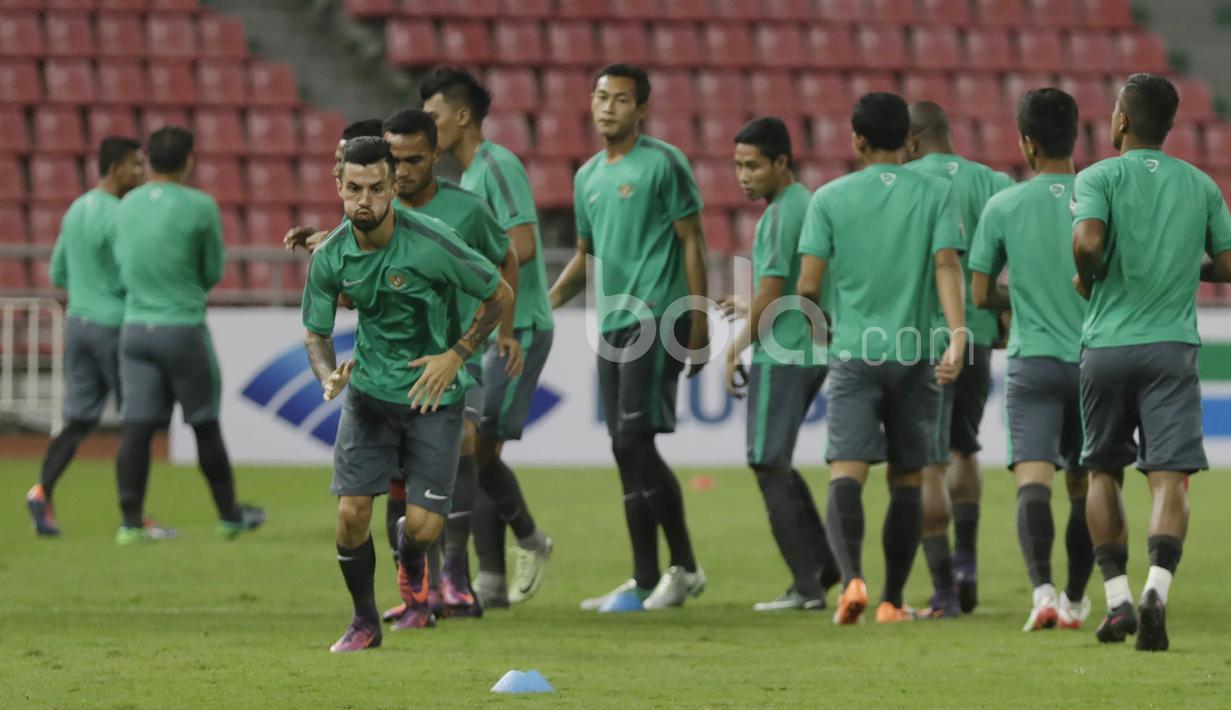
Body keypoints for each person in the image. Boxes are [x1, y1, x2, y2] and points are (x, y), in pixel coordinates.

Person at [303, 137, 513, 652]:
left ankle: (411, 554)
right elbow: (316, 332)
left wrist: (457, 355)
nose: (365, 201)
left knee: (420, 529)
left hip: (432, 400)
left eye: (377, 188)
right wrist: (328, 375)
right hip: (369, 397)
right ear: (339, 187)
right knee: (351, 514)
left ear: (394, 187)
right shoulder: (331, 255)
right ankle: (364, 621)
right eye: (354, 189)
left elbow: (498, 294)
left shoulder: (431, 242)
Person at [1074, 73, 1231, 651]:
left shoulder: (1097, 177)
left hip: (1107, 347)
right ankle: (1156, 590)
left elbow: (1088, 243)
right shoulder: (1200, 185)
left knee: (1102, 471)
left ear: (1121, 121)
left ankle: (1117, 602)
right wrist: (1183, 268)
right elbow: (1229, 264)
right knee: (1170, 477)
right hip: (1171, 346)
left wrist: (1087, 276)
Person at [796, 92, 966, 625]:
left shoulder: (828, 198)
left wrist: (824, 333)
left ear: (857, 141)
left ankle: (853, 582)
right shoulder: (937, 193)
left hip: (854, 353)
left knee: (847, 471)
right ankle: (893, 599)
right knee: (908, 479)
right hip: (916, 355)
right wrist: (957, 333)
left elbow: (806, 287)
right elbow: (945, 266)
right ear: (910, 142)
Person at [550, 63, 710, 611]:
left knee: (632, 440)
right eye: (600, 97)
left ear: (641, 109)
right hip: (612, 323)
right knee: (625, 450)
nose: (607, 107)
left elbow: (692, 241)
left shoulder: (664, 163)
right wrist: (542, 304)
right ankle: (643, 579)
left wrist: (699, 317)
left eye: (620, 99)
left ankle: (685, 567)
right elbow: (585, 257)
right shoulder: (587, 176)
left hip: (658, 316)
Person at [421, 67, 555, 608]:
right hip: (488, 331)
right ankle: (491, 580)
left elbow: (520, 245)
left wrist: (460, 269)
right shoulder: (467, 177)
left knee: (473, 449)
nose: (429, 129)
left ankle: (529, 538)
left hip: (515, 328)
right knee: (476, 450)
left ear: (461, 116)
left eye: (433, 117)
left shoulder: (497, 167)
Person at [379, 108, 519, 621]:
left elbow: (506, 260)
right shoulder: (376, 208)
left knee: (463, 442)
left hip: (459, 355)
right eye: (393, 159)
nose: (401, 170)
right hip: (394, 362)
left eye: (413, 159)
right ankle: (418, 587)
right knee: (400, 472)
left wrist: (502, 331)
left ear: (435, 155)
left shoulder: (468, 209)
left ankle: (456, 574)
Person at [968, 88, 1094, 632]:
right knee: (1089, 487)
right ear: (1077, 137)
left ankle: (1042, 592)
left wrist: (1018, 298)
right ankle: (1077, 598)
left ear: (1026, 142)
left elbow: (978, 295)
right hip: (1095, 362)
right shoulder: (1100, 197)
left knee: (1033, 480)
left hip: (1034, 361)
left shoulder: (1004, 204)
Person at [110, 126, 265, 545]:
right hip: (182, 327)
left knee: (136, 428)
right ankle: (229, 516)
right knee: (203, 423)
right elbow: (213, 269)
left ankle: (129, 523)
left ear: (148, 159)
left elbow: (120, 264)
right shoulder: (201, 206)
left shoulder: (124, 205)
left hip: (135, 328)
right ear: (189, 160)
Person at [720, 117, 840, 611]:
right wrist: (754, 306)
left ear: (781, 163)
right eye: (737, 166)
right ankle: (824, 566)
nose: (743, 176)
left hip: (784, 353)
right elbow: (789, 287)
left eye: (753, 166)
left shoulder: (778, 215)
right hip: (810, 348)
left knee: (767, 464)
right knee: (779, 465)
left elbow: (771, 290)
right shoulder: (805, 204)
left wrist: (734, 348)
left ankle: (807, 588)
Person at [904, 101, 1015, 617]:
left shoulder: (904, 183)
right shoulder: (992, 182)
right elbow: (1013, 256)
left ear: (911, 140)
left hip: (922, 336)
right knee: (965, 448)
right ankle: (968, 560)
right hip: (978, 332)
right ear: (948, 134)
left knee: (929, 463)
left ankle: (944, 589)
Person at [26, 137, 145, 536]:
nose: (141, 172)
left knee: (77, 419)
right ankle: (133, 517)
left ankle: (42, 491)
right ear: (115, 169)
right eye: (135, 165)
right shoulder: (120, 213)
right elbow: (129, 273)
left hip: (77, 322)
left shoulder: (76, 208)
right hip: (112, 325)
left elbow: (58, 272)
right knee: (136, 420)